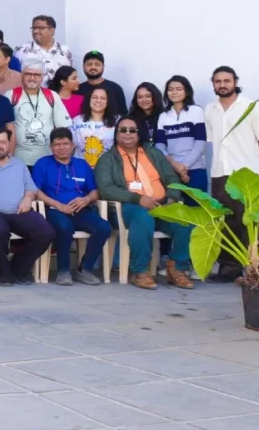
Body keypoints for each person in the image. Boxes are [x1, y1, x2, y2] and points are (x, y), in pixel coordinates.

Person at [95, 116, 194, 290]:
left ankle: (177, 268)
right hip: (129, 206)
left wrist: (172, 198)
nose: (127, 134)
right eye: (123, 130)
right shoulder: (108, 158)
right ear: (116, 133)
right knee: (143, 218)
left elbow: (171, 178)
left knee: (185, 221)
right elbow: (105, 189)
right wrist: (138, 198)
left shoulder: (154, 153)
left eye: (132, 130)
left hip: (162, 205)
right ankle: (140, 271)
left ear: (139, 133)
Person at [0, 126, 54, 286]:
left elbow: (31, 188)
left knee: (46, 232)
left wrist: (28, 198)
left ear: (9, 144)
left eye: (2, 142)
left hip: (20, 211)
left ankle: (18, 267)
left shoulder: (19, 164)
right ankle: (4, 270)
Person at [205, 66, 259, 282]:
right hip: (219, 173)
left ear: (235, 82)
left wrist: (251, 164)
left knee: (251, 222)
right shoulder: (210, 110)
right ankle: (229, 269)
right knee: (226, 221)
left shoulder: (252, 107)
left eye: (226, 80)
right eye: (218, 81)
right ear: (213, 84)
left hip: (246, 175)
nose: (222, 84)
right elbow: (213, 142)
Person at [33, 129, 108, 286]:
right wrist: (58, 205)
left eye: (65, 143)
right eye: (57, 144)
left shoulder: (82, 165)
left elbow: (94, 192)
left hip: (81, 209)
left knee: (103, 227)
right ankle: (63, 271)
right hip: (54, 210)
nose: (61, 147)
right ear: (51, 147)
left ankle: (85, 269)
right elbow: (36, 192)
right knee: (64, 227)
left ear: (73, 145)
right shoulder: (42, 164)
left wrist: (86, 199)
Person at [156, 75, 207, 201]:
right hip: (172, 171)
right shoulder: (163, 116)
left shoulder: (196, 111)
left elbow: (200, 143)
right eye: (170, 89)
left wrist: (184, 167)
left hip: (195, 170)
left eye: (179, 89)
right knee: (175, 212)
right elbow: (159, 145)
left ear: (187, 91)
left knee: (197, 212)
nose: (174, 92)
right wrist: (175, 166)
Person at [11, 60, 71, 167]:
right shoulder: (11, 95)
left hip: (48, 158)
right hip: (19, 159)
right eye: (28, 74)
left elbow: (62, 128)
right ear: (22, 75)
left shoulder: (52, 96)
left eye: (37, 75)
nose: (32, 77)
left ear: (42, 77)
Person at [70, 85, 116, 167]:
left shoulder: (118, 121)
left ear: (108, 102)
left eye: (103, 98)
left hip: (107, 169)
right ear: (89, 100)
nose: (98, 100)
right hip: (80, 169)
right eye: (95, 97)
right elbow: (69, 146)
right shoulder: (77, 120)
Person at [77, 51, 128, 117]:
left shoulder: (115, 88)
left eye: (97, 64)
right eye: (89, 64)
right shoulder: (77, 89)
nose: (93, 67)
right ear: (83, 66)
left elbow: (123, 115)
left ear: (103, 67)